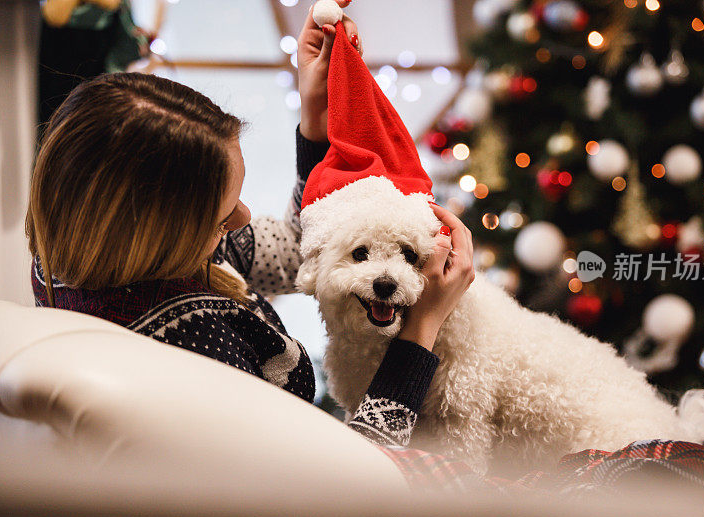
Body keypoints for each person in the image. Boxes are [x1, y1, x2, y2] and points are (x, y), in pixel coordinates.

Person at [25, 1, 474, 447]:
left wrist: (314, 119)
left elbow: (294, 251)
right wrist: (421, 332)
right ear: (159, 234)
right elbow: (351, 479)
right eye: (221, 215)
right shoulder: (194, 348)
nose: (243, 217)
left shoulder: (104, 261)